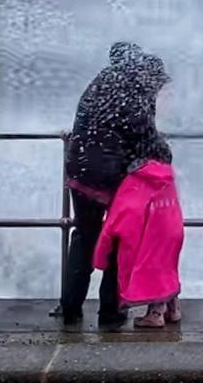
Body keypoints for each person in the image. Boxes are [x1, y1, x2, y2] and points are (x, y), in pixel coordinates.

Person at [60, 44, 171, 329]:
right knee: (119, 237)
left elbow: (84, 124)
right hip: (109, 175)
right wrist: (165, 155)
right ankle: (110, 313)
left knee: (85, 236)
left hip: (79, 167)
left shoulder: (100, 81)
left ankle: (70, 307)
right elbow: (145, 136)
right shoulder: (136, 89)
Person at [93, 137, 184, 329]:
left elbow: (119, 219)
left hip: (152, 235)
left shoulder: (137, 179)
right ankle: (173, 310)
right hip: (173, 230)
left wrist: (100, 257)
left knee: (152, 271)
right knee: (166, 269)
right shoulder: (167, 176)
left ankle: (155, 315)